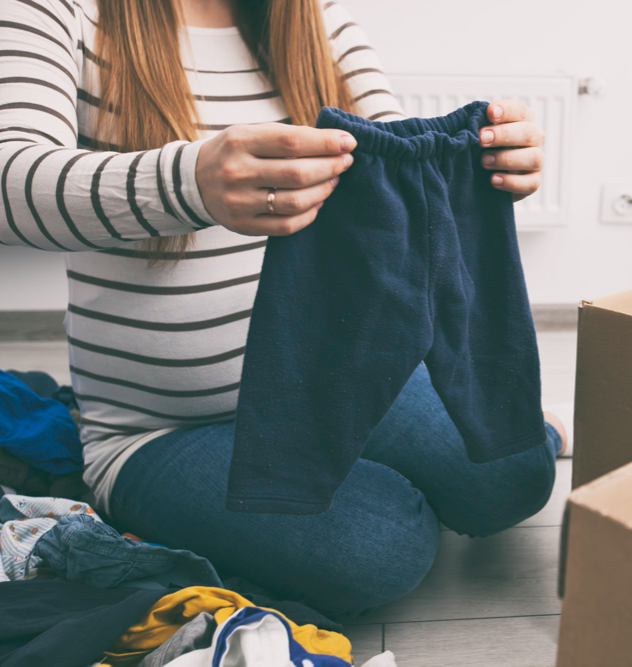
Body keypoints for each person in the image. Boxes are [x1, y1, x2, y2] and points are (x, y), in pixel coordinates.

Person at [0, 0, 564, 616]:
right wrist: (192, 180)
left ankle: (502, 442)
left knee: (515, 476)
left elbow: (401, 157)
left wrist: (490, 160)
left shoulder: (317, 18)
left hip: (332, 382)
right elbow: (10, 179)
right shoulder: (57, 10)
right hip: (161, 430)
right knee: (382, 546)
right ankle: (133, 492)